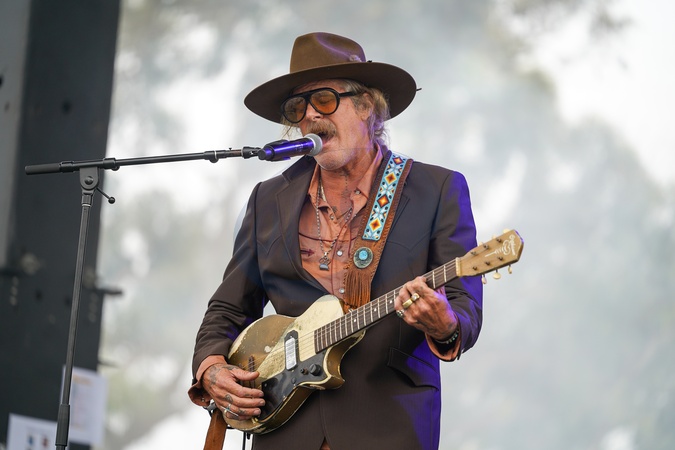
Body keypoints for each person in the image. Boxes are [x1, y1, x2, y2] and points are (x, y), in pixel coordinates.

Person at [188, 32, 483, 450]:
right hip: (283, 430)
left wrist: (446, 324)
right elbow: (227, 309)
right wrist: (212, 369)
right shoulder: (268, 201)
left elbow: (464, 305)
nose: (310, 115)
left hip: (387, 429)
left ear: (367, 106)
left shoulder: (436, 189)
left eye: (324, 100)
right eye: (298, 107)